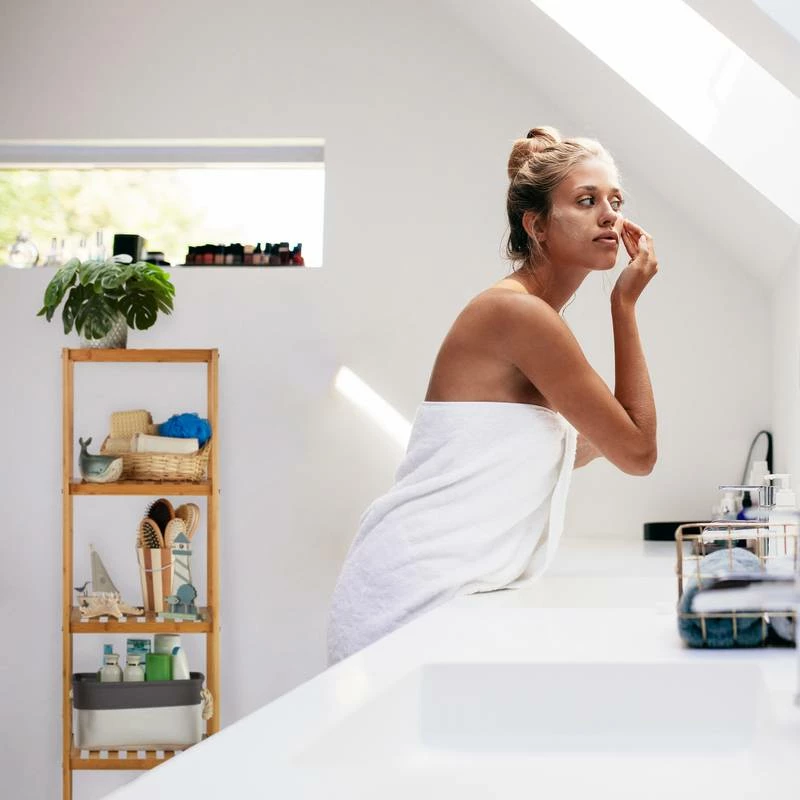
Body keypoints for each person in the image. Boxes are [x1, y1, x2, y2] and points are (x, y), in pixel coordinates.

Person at [326, 126, 658, 665]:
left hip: (447, 593)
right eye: (586, 200)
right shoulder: (519, 314)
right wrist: (624, 305)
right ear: (536, 225)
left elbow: (552, 448)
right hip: (409, 594)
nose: (609, 216)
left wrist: (607, 430)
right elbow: (638, 452)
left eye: (615, 202)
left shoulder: (531, 315)